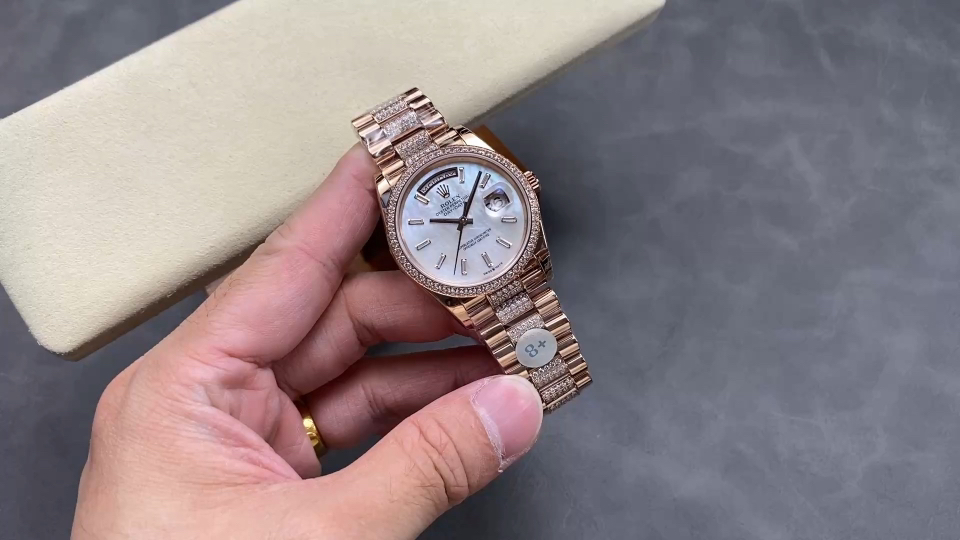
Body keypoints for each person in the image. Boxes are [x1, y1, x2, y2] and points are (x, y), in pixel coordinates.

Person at [72, 146, 544, 539]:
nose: (463, 223)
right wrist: (444, 458)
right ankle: (545, 372)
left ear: (524, 185)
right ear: (402, 251)